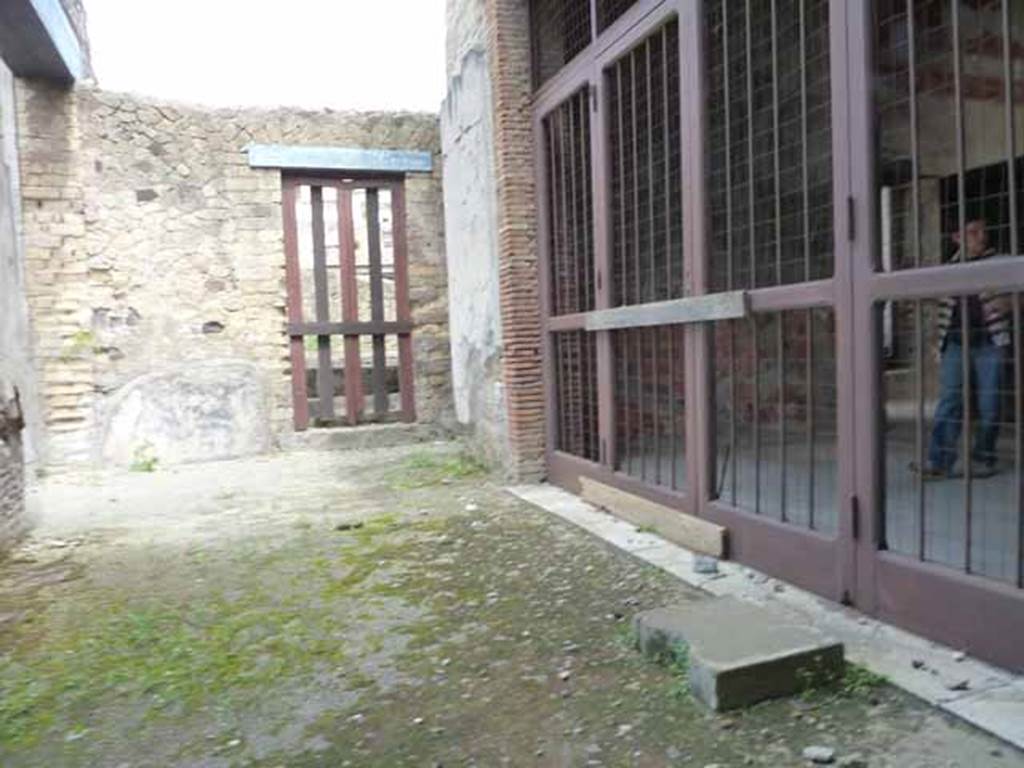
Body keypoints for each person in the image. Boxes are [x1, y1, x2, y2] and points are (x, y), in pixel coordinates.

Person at [922, 219, 1012, 479]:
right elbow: (939, 309)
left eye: (983, 230)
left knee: (990, 404)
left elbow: (1017, 297)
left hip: (990, 342)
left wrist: (1010, 303)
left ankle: (984, 458)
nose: (981, 236)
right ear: (957, 238)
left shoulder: (1000, 262)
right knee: (949, 402)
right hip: (954, 344)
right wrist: (934, 342)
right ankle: (939, 461)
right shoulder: (949, 268)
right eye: (973, 232)